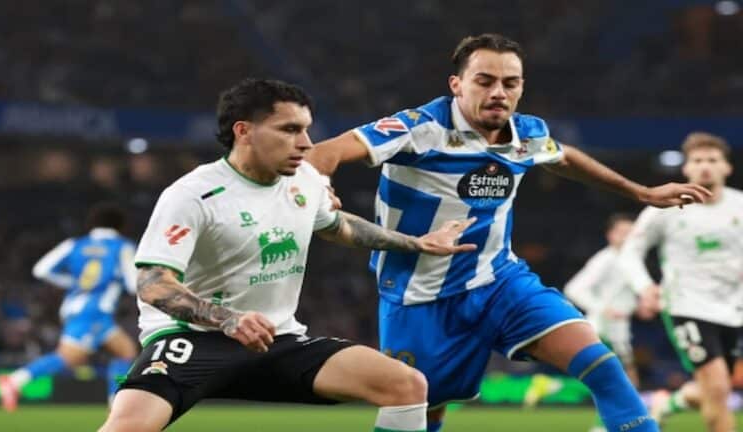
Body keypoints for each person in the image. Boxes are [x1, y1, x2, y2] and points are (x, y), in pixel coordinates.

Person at [306, 33, 711, 432]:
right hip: (419, 296)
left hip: (500, 282)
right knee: (423, 410)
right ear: (457, 85)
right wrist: (321, 189)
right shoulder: (419, 128)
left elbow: (563, 157)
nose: (498, 92)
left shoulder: (527, 134)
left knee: (601, 365)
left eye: (510, 83)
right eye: (485, 81)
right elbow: (324, 153)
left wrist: (640, 191)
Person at [98, 78, 477, 432]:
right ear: (243, 131)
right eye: (290, 129)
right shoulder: (193, 194)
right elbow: (152, 284)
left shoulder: (305, 181)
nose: (307, 143)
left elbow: (336, 225)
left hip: (276, 339)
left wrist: (416, 243)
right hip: (195, 338)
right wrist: (227, 319)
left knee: (406, 385)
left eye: (307, 129)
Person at [619, 132, 743, 432]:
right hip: (688, 306)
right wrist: (644, 287)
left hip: (734, 309)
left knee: (715, 388)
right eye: (697, 160)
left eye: (712, 160)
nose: (705, 167)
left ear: (727, 167)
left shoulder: (739, 205)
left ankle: (669, 404)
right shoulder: (666, 207)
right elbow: (630, 251)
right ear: (686, 169)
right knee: (716, 388)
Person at [0, 202, 139, 411]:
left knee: (125, 351)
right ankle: (14, 381)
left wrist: (73, 282)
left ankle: (116, 402)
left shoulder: (75, 244)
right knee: (69, 357)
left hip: (74, 306)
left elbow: (40, 270)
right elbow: (132, 284)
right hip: (95, 310)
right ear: (121, 225)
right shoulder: (123, 246)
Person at [562, 213, 649, 432]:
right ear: (610, 235)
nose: (627, 237)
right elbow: (574, 288)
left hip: (620, 329)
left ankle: (615, 425)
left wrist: (637, 307)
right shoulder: (605, 259)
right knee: (622, 380)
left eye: (631, 233)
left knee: (620, 381)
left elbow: (624, 295)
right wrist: (603, 308)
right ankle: (608, 426)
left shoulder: (631, 260)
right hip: (602, 329)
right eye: (622, 232)